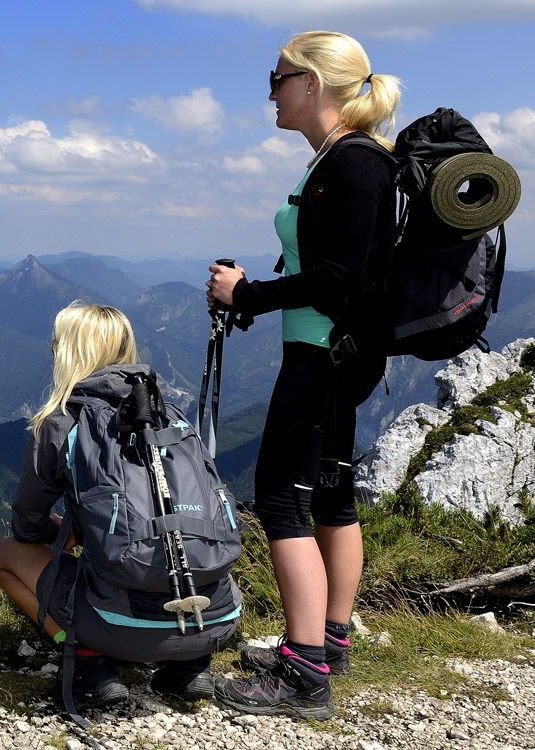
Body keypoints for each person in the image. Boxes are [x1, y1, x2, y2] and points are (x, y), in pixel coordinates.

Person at [205, 30, 402, 719]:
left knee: (283, 501)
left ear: (312, 83)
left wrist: (247, 294)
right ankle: (330, 640)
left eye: (279, 76)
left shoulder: (350, 165)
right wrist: (255, 296)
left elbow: (342, 275)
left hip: (321, 358)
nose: (271, 91)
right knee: (331, 496)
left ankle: (303, 673)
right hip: (339, 354)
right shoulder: (353, 159)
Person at [0, 301, 217, 709]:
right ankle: (190, 665)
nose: (51, 348)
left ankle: (84, 656)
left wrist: (71, 531)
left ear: (73, 353)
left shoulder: (62, 423)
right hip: (213, 614)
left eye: (57, 342)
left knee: (7, 555)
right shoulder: (171, 417)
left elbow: (27, 527)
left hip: (121, 622)